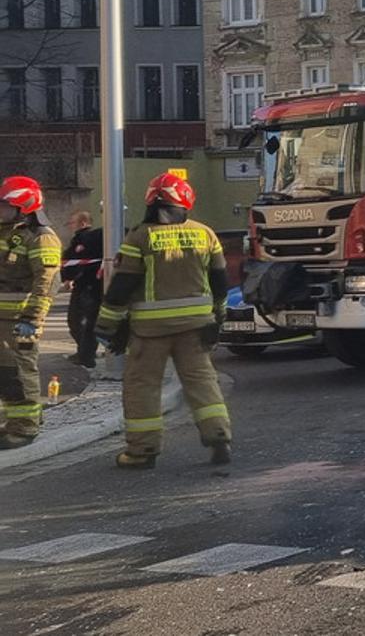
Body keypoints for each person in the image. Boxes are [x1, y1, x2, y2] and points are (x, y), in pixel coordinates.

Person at [95, 173, 232, 469]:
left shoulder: (140, 237)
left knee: (142, 386)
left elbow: (123, 286)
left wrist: (107, 326)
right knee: (202, 382)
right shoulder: (206, 234)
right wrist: (218, 318)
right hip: (196, 327)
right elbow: (220, 282)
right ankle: (218, 436)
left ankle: (142, 451)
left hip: (150, 332)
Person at [0, 176, 61, 449]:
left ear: (24, 207)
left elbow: (46, 282)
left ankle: (25, 427)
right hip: (3, 318)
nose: (1, 210)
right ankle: (15, 422)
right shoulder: (7, 232)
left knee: (20, 372)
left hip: (20, 318)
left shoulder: (41, 237)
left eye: (5, 206)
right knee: (5, 373)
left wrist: (32, 318)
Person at [61, 211, 104, 368]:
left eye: (72, 222)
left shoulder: (85, 239)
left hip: (86, 286)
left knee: (79, 322)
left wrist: (69, 276)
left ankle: (86, 355)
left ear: (83, 223)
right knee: (84, 322)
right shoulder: (90, 238)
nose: (70, 226)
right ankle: (85, 353)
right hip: (89, 284)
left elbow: (76, 260)